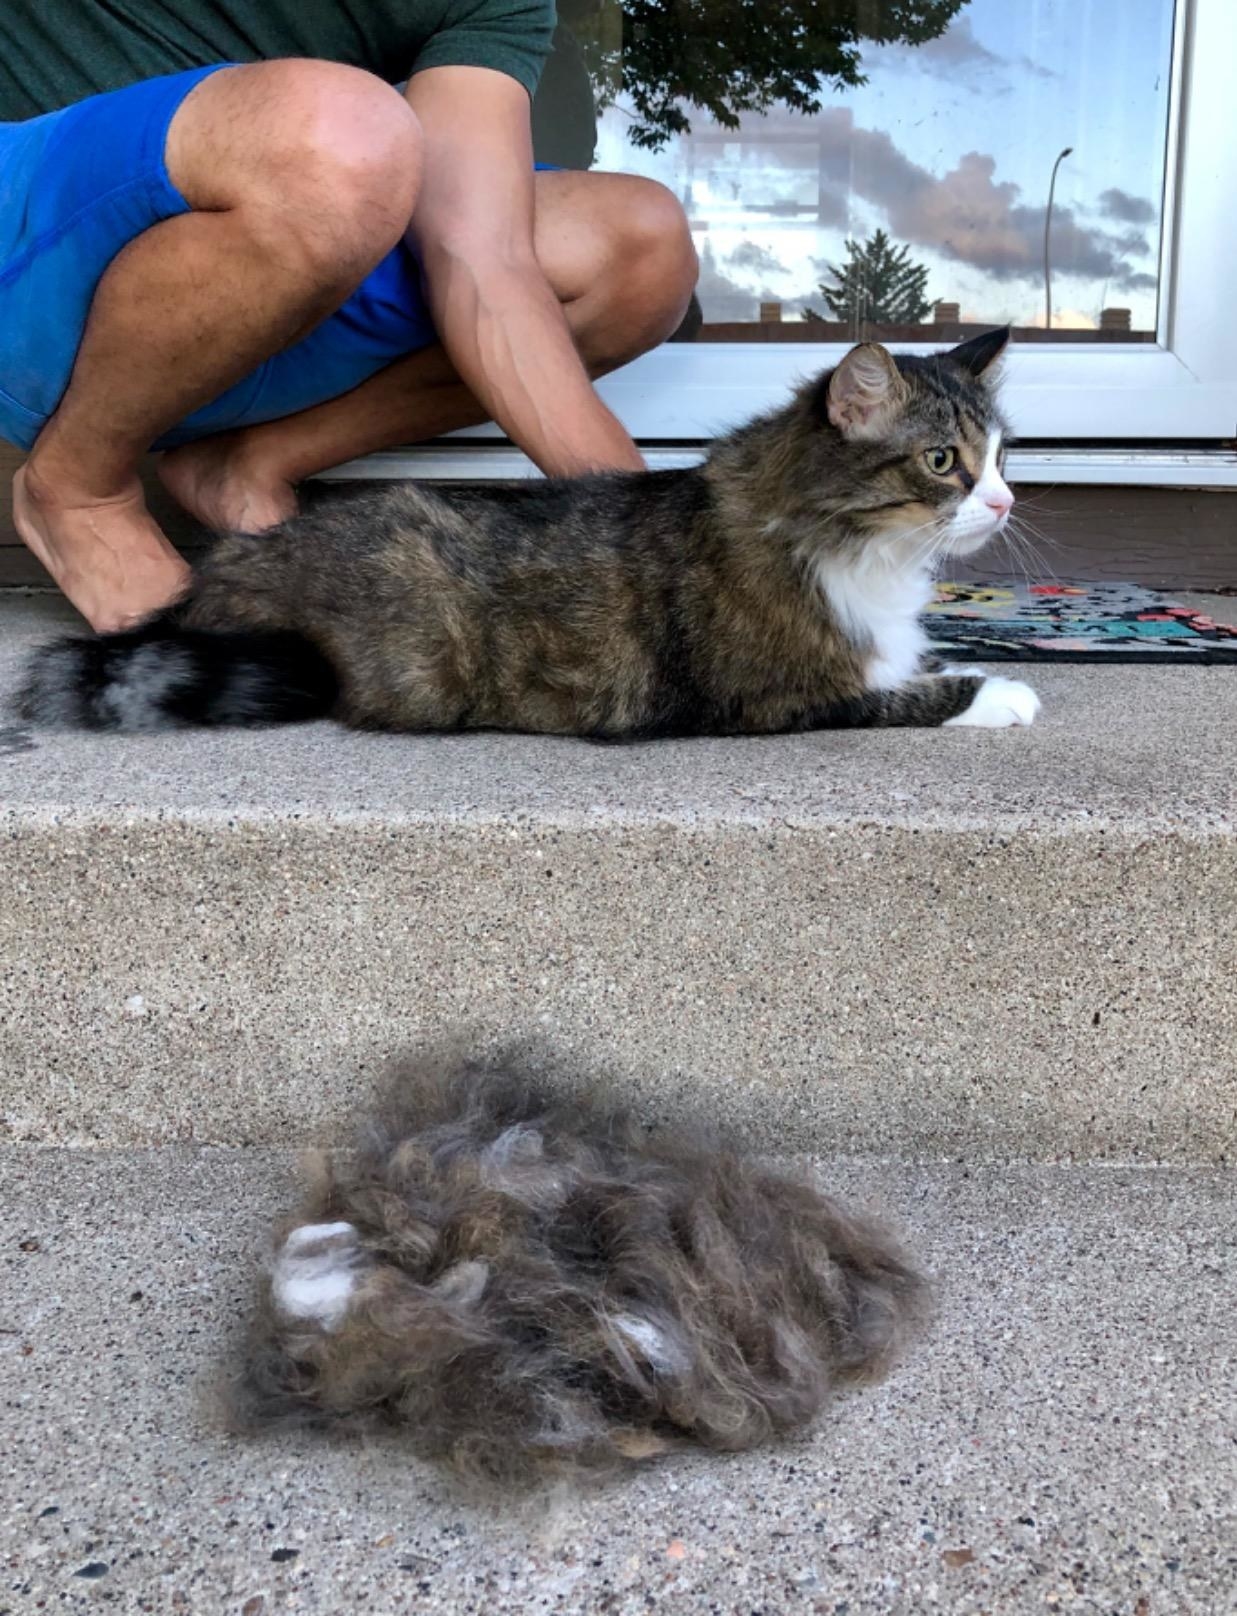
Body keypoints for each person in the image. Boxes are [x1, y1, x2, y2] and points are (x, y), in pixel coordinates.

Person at [0, 2, 698, 632]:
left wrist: (650, 555)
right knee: (344, 131)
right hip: (36, 242)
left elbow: (481, 257)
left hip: (263, 259)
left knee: (639, 249)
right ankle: (78, 485)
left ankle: (248, 460)